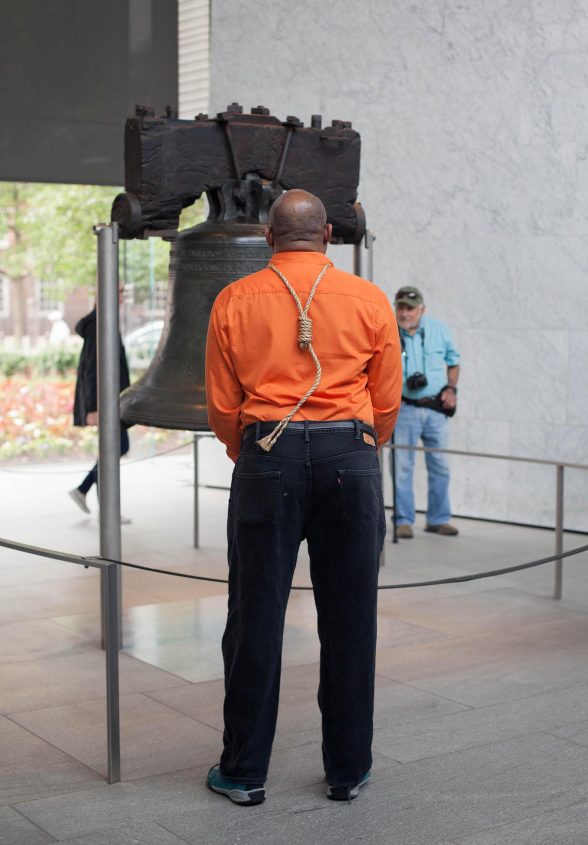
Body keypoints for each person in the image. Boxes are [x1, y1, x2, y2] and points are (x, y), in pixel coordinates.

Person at [204, 189, 402, 805]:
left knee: (255, 616)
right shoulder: (369, 299)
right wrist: (356, 445)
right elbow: (387, 397)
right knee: (351, 617)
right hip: (350, 458)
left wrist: (253, 451)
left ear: (268, 237)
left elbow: (222, 403)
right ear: (329, 236)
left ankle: (243, 772)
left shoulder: (234, 299)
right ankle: (348, 770)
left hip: (269, 454)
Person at [391, 286, 461, 539]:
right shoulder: (388, 329)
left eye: (410, 308)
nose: (405, 313)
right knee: (402, 467)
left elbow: (454, 361)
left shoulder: (438, 329)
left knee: (440, 464)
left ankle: (438, 519)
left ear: (422, 309)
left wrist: (451, 389)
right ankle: (403, 521)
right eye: (401, 307)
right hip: (404, 408)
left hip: (434, 409)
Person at [68, 305, 131, 523]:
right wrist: (93, 408)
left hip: (112, 400)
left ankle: (84, 492)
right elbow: (91, 368)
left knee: (113, 449)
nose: (122, 296)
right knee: (115, 449)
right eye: (119, 291)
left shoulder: (105, 320)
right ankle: (103, 506)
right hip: (106, 403)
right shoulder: (99, 324)